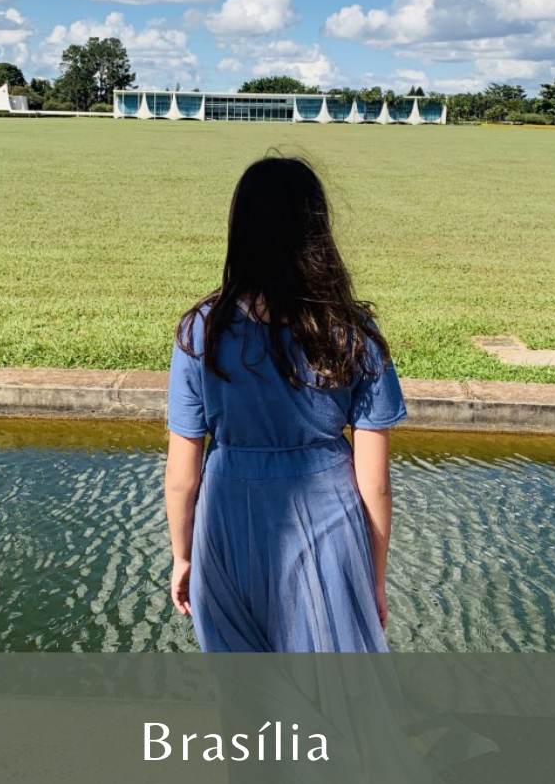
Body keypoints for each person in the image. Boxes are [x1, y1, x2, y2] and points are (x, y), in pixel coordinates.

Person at [164, 153, 406, 652]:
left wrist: (182, 555)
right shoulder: (354, 334)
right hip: (329, 518)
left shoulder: (201, 331)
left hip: (226, 517)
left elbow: (182, 475)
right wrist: (374, 577)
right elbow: (375, 483)